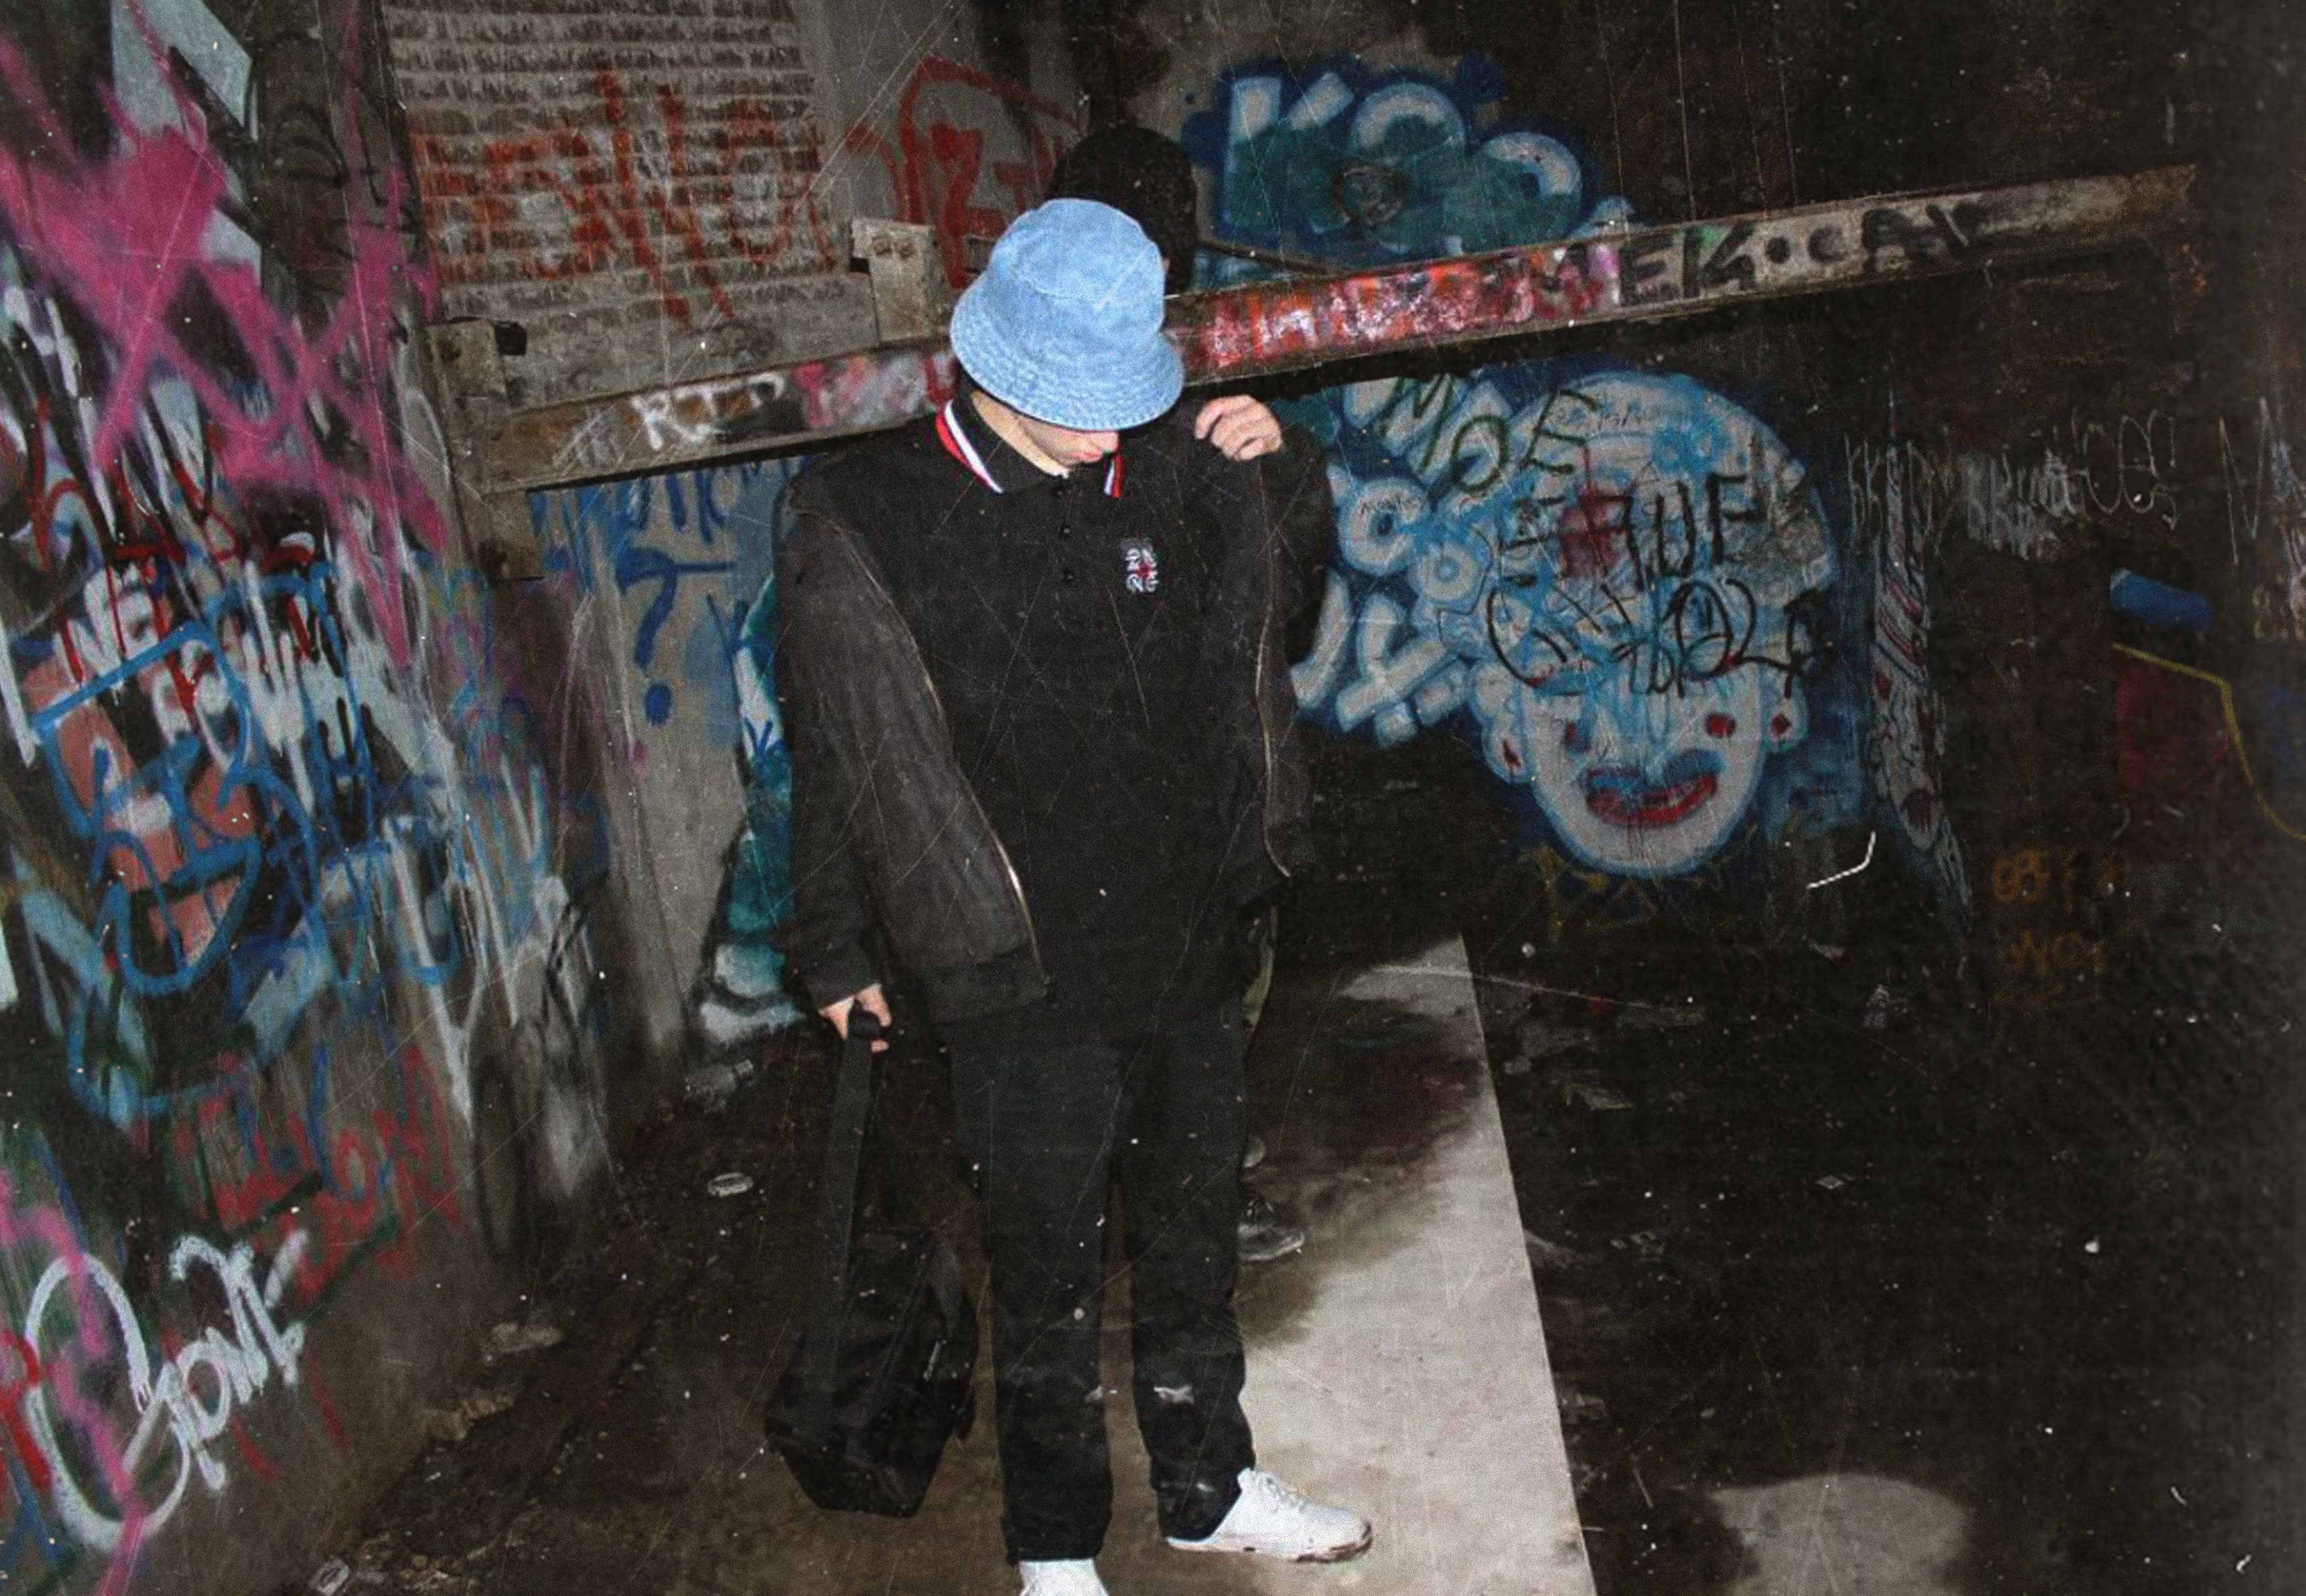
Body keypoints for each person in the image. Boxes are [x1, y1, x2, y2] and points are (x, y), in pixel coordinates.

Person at [777, 198, 1368, 1595]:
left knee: (1192, 1245)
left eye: (1127, 395)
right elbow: (841, 748)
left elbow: (1278, 608)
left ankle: (1208, 1488)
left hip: (1187, 936)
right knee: (1045, 1279)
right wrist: (834, 946)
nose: (1112, 433)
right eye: (1081, 404)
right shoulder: (867, 514)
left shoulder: (1171, 470)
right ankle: (1053, 1552)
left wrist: (1285, 465)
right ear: (998, 366)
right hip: (1016, 970)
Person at [1046, 123, 1310, 1267]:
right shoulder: (1035, 372)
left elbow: (1285, 579)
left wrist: (1275, 460)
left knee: (1219, 975)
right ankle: (1174, 1179)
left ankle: (1199, 1171)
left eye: (1152, 257)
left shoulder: (1194, 373)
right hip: (1090, 764)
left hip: (1195, 752)